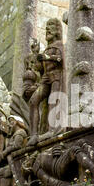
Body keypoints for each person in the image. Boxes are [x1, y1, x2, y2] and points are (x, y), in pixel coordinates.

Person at [27, 18, 65, 146]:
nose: (47, 29)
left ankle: (52, 130)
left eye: (51, 26)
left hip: (56, 76)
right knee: (33, 101)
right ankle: (33, 135)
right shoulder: (47, 49)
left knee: (53, 101)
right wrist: (36, 53)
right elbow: (39, 68)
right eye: (47, 26)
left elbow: (60, 59)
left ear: (57, 30)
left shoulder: (59, 45)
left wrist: (45, 57)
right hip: (46, 77)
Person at [0, 116, 28, 186]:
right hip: (14, 161)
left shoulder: (20, 132)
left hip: (20, 160)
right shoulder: (14, 134)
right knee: (2, 171)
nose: (9, 125)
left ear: (17, 122)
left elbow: (17, 145)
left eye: (11, 122)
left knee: (3, 172)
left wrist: (5, 152)